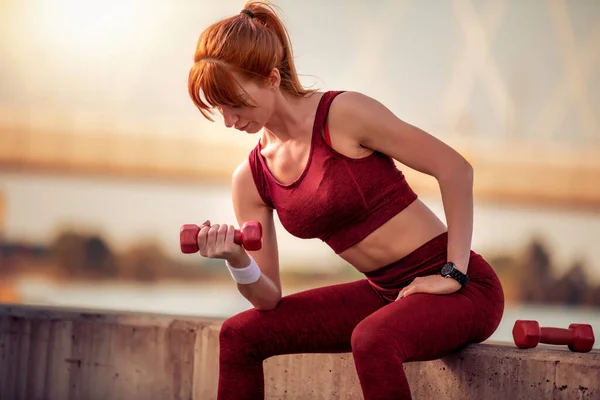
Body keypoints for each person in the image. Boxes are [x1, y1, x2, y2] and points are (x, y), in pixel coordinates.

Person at [187, 2, 504, 399]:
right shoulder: (250, 179)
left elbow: (456, 169)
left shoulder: (344, 114)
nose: (230, 120)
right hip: (384, 292)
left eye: (234, 102)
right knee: (239, 334)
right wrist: (237, 259)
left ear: (270, 78)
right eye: (219, 108)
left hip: (465, 289)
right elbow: (268, 299)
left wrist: (452, 272)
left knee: (371, 339)